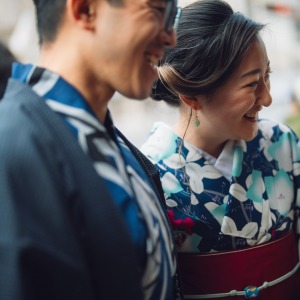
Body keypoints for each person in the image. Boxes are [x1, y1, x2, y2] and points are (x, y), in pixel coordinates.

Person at [0, 0, 183, 299]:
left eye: (172, 16)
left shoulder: (115, 142)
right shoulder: (14, 145)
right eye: (157, 10)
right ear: (85, 10)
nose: (170, 36)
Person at [141, 0, 300, 299]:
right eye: (252, 84)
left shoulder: (282, 144)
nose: (267, 98)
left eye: (267, 76)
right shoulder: (150, 173)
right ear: (192, 96)